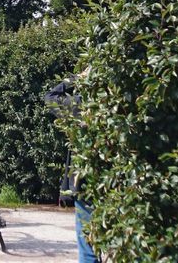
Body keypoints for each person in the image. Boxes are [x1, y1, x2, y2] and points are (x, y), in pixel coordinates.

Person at [46, 74, 100, 263]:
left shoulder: (80, 105)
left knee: (88, 248)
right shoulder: (124, 107)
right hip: (116, 185)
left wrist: (74, 78)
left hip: (85, 183)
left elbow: (50, 97)